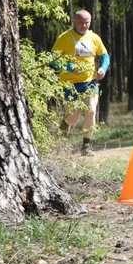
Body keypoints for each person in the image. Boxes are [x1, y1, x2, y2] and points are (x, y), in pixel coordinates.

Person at [52, 9, 110, 156]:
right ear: (74, 22)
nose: (84, 26)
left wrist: (102, 69)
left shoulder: (94, 38)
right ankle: (61, 138)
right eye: (80, 23)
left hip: (89, 82)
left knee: (91, 111)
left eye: (87, 23)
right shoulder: (64, 38)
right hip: (69, 84)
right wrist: (69, 67)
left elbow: (105, 56)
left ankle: (86, 147)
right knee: (73, 118)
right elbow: (52, 60)